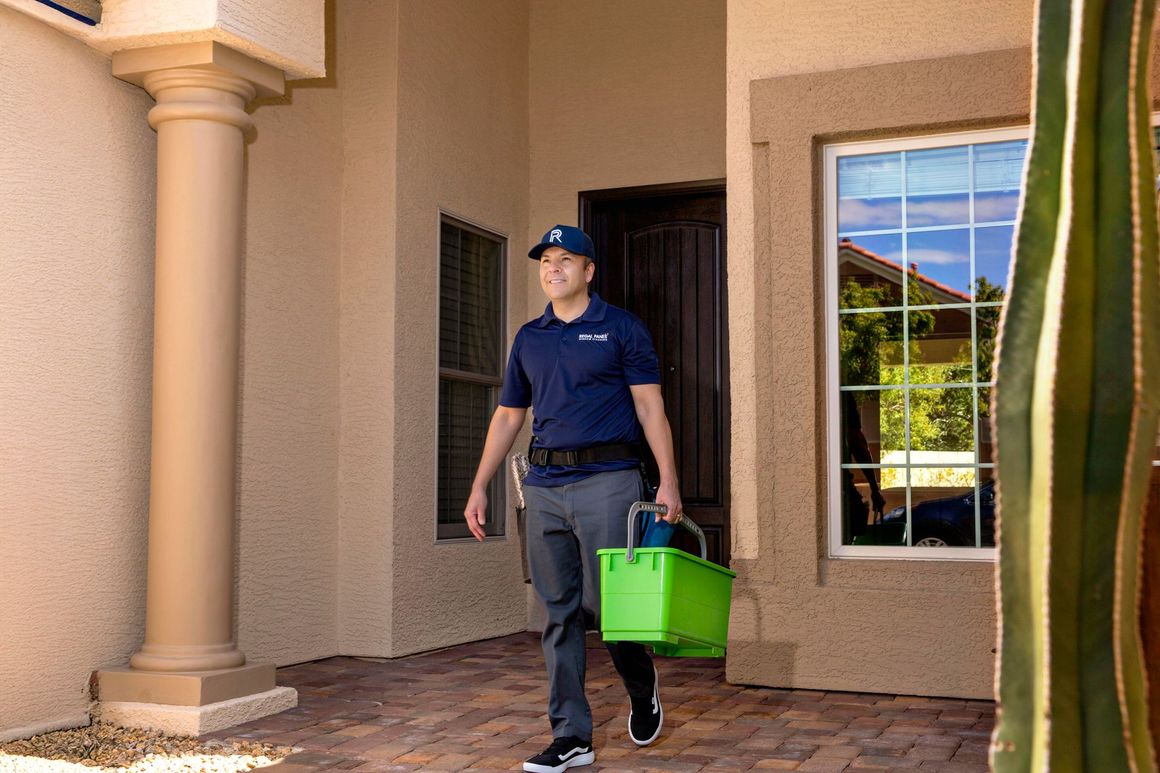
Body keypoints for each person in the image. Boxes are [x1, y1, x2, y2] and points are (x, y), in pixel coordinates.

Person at [464, 224, 683, 773]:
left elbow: (650, 408)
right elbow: (510, 414)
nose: (553, 268)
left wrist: (668, 481)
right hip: (543, 486)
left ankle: (641, 686)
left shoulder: (621, 329)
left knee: (613, 611)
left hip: (609, 481)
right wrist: (479, 484)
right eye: (545, 261)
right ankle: (571, 736)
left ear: (589, 271)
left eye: (566, 259)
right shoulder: (529, 336)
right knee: (557, 614)